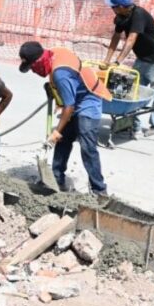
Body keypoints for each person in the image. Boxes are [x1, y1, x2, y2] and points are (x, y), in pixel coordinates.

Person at [19, 41, 112, 196]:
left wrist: (55, 132)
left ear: (38, 62)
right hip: (76, 96)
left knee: (87, 147)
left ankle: (99, 190)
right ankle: (56, 178)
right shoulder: (52, 53)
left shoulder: (60, 73)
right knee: (64, 140)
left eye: (32, 68)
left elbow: (69, 107)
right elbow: (69, 87)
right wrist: (56, 94)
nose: (33, 72)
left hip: (89, 100)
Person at [101, 0, 154, 138]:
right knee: (131, 92)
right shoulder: (120, 17)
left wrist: (118, 61)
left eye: (113, 6)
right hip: (141, 58)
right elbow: (116, 37)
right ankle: (133, 125)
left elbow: (131, 39)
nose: (111, 8)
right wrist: (107, 60)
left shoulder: (139, 15)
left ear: (121, 6)